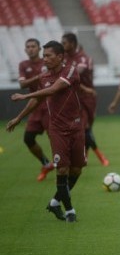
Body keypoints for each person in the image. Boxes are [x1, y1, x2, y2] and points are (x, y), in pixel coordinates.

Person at [7, 40, 86, 222]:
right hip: (57, 130)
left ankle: (54, 202)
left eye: (49, 56)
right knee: (62, 169)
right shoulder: (43, 77)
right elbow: (37, 100)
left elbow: (53, 89)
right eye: (44, 56)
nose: (45, 59)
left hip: (76, 127)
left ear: (60, 56)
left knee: (77, 170)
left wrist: (25, 94)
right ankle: (70, 211)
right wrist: (18, 118)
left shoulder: (70, 71)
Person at [61, 32, 109, 166]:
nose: (62, 45)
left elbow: (75, 75)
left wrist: (85, 89)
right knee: (83, 128)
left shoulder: (83, 58)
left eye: (64, 43)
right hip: (73, 98)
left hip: (87, 98)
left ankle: (85, 156)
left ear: (72, 44)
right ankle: (100, 157)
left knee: (86, 129)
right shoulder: (63, 58)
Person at [18, 38, 54, 181]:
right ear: (25, 50)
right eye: (28, 46)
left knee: (55, 139)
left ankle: (63, 168)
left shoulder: (47, 62)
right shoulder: (23, 65)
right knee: (28, 138)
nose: (31, 48)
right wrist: (38, 77)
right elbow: (22, 85)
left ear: (39, 49)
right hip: (35, 107)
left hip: (49, 106)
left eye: (33, 46)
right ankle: (46, 163)